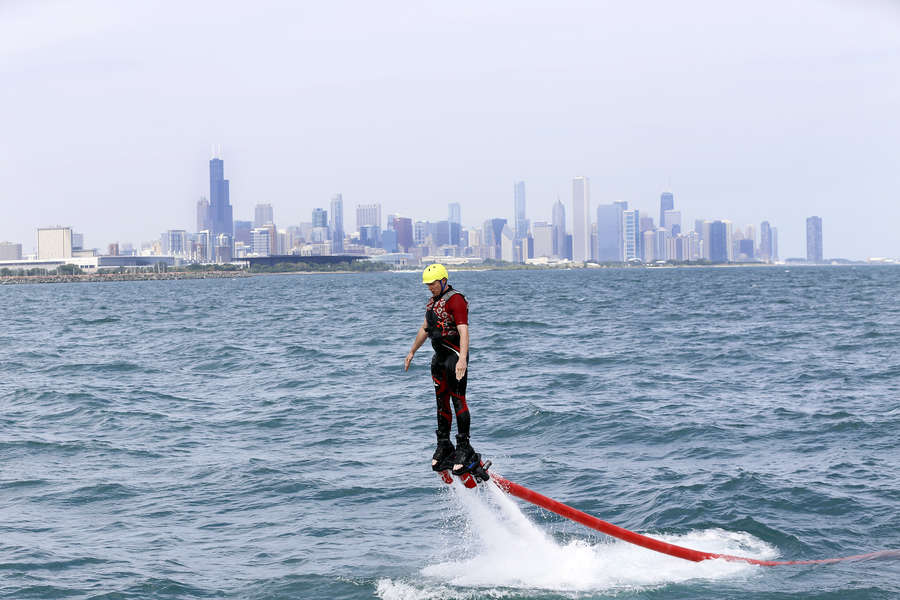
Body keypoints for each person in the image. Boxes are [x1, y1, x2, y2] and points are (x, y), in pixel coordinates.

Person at [404, 263, 480, 476]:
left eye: (433, 284)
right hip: (439, 359)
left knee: (458, 400)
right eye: (428, 284)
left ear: (444, 280)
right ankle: (444, 444)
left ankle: (464, 447)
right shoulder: (432, 303)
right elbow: (425, 329)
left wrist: (462, 359)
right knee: (441, 402)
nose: (430, 287)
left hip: (454, 357)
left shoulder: (456, 300)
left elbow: (464, 331)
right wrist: (412, 352)